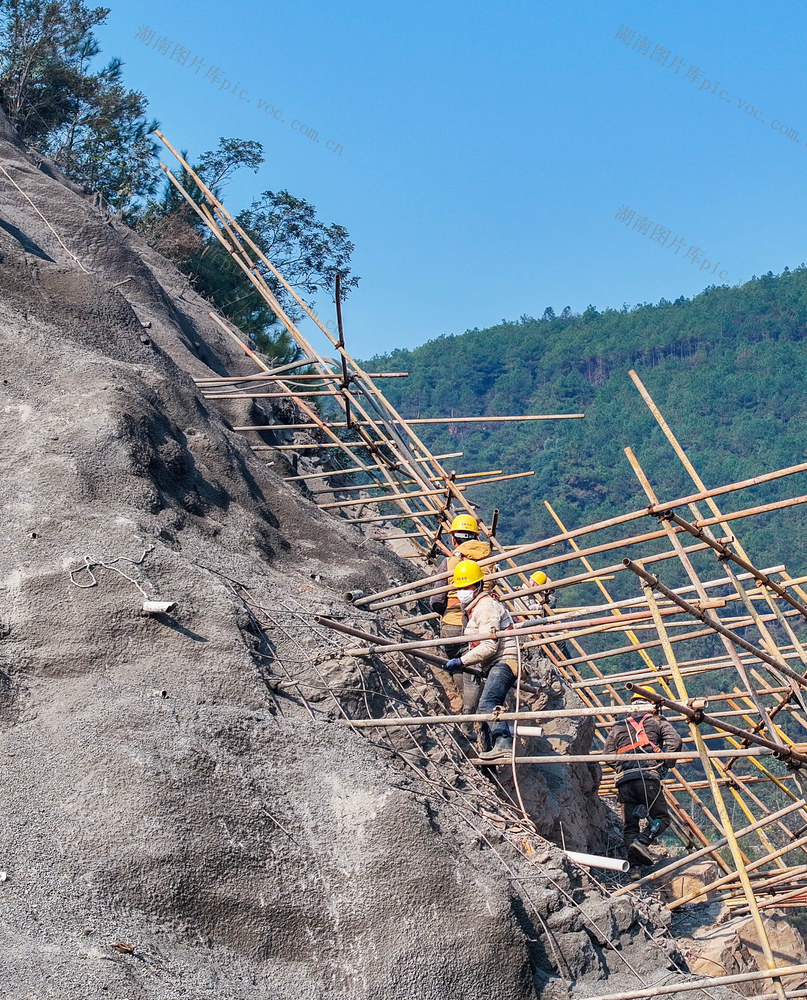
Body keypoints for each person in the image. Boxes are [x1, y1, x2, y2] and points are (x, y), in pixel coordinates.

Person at [443, 560, 521, 760]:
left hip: (505, 661)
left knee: (487, 703)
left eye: (467, 587)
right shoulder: (474, 607)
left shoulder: (485, 607)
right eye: (460, 588)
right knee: (488, 707)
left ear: (478, 585)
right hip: (496, 662)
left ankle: (503, 743)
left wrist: (462, 661)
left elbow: (489, 645)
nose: (462, 592)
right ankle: (491, 748)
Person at [602, 689, 682, 873]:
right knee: (661, 818)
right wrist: (665, 764)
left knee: (630, 826)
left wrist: (622, 767)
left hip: (624, 781)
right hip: (648, 777)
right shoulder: (657, 721)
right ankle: (642, 841)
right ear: (652, 704)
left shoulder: (618, 726)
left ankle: (634, 869)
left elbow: (607, 754)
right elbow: (675, 742)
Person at [429, 514, 493, 711]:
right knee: (472, 668)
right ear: (476, 537)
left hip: (452, 624)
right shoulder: (490, 561)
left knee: (457, 664)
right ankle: (472, 712)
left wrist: (446, 611)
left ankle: (466, 709)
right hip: (479, 622)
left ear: (453, 539)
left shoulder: (449, 563)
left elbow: (436, 600)